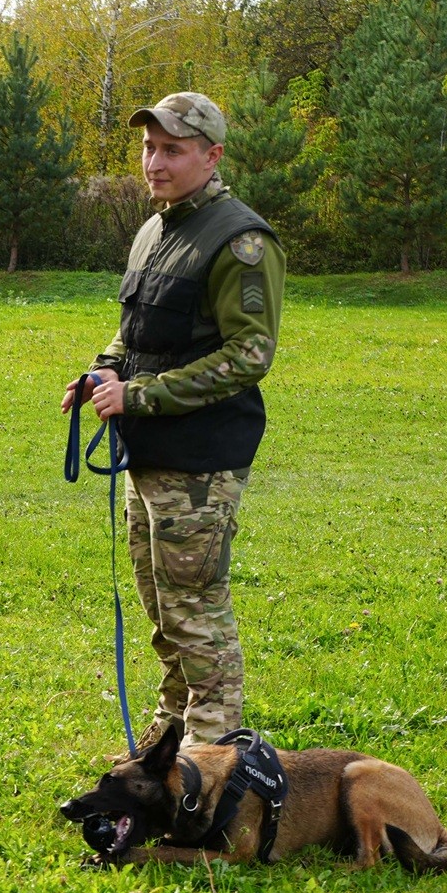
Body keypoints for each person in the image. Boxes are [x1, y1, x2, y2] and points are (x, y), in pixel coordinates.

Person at [62, 92, 284, 755]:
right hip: (148, 451)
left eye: (172, 149)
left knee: (196, 611)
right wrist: (103, 370)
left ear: (211, 155)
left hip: (201, 459)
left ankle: (214, 756)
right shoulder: (157, 229)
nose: (154, 162)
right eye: (149, 147)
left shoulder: (241, 241)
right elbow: (139, 331)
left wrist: (141, 396)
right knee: (162, 610)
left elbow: (250, 355)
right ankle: (173, 731)